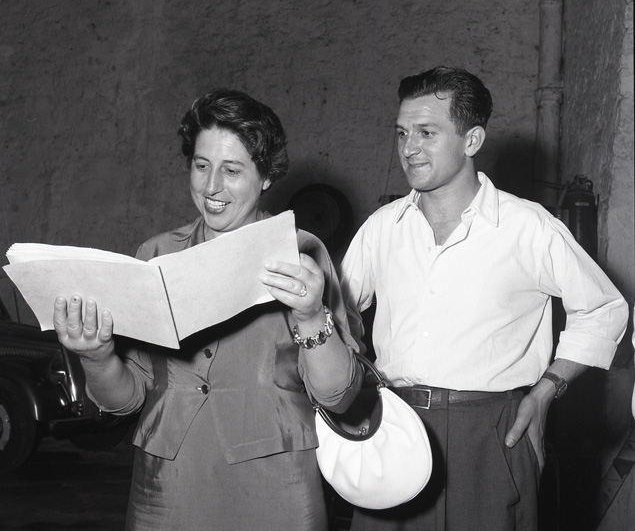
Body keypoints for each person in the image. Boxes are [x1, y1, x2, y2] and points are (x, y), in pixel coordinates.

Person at [53, 89, 362, 531]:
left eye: (231, 170)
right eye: (201, 166)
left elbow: (339, 396)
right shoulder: (156, 255)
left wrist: (312, 316)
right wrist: (96, 357)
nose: (212, 186)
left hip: (276, 484)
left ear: (266, 176)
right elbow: (124, 400)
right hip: (167, 487)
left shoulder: (301, 256)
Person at [339, 66, 628, 531]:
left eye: (426, 132)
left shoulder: (528, 227)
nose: (408, 148)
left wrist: (546, 391)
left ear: (471, 140)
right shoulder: (381, 228)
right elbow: (337, 316)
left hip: (490, 437)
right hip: (392, 430)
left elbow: (603, 309)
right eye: (402, 133)